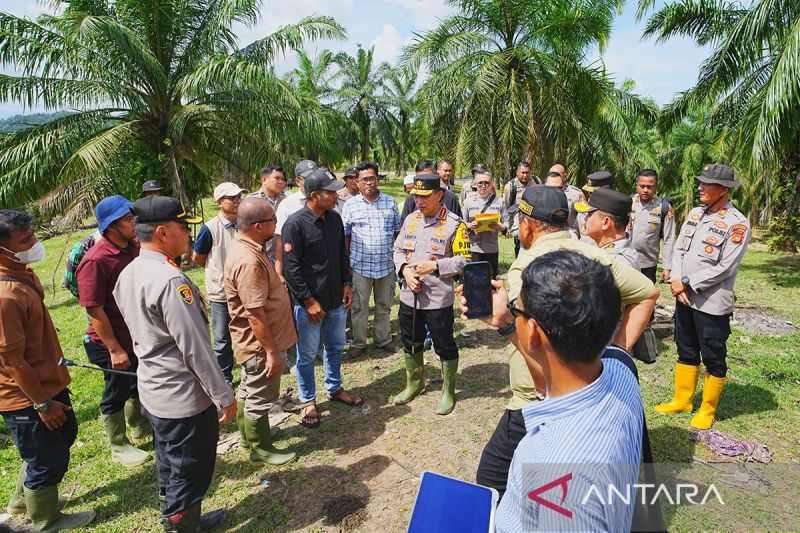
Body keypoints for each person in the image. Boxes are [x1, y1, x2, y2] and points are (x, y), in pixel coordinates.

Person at [473, 185, 657, 499]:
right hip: (591, 385)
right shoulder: (594, 256)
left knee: (492, 479)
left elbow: (540, 362)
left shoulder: (525, 271)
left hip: (538, 401)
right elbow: (648, 293)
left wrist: (505, 324)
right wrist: (617, 352)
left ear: (527, 225)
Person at [464, 251, 643, 531]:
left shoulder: (555, 470)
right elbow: (549, 383)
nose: (513, 312)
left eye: (517, 308)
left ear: (533, 332)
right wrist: (509, 324)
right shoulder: (621, 369)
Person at [114, 196, 236, 532]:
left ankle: (181, 520)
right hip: (183, 397)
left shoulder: (131, 271)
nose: (188, 235)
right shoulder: (170, 280)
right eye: (184, 228)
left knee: (170, 463)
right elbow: (195, 349)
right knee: (189, 470)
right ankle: (182, 525)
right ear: (163, 232)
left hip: (154, 389)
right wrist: (223, 395)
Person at [0, 210, 97, 531]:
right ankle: (45, 519)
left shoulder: (19, 274)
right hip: (26, 395)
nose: (35, 244)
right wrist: (41, 403)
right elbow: (13, 361)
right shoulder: (5, 295)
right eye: (25, 240)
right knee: (46, 458)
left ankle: (23, 500)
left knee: (60, 438)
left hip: (46, 381)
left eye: (33, 235)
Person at [656, 164, 750, 430]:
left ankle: (707, 409)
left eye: (707, 184)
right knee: (685, 348)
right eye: (701, 182)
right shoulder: (696, 214)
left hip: (711, 303)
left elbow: (726, 267)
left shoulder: (737, 223)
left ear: (724, 190)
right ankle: (682, 400)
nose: (700, 187)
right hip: (684, 297)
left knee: (713, 354)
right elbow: (679, 250)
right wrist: (676, 280)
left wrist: (687, 283)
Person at [281, 168, 363, 429]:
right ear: (315, 195)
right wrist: (308, 301)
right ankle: (308, 400)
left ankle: (335, 387)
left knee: (335, 347)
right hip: (310, 306)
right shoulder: (295, 224)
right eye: (331, 192)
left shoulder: (335, 219)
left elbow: (341, 255)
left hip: (336, 299)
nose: (336, 196)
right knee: (306, 355)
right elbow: (291, 269)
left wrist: (347, 284)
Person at [77, 196, 152, 468]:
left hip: (135, 334)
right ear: (111, 226)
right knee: (116, 390)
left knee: (137, 382)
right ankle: (118, 445)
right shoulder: (96, 260)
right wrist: (115, 349)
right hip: (109, 342)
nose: (134, 223)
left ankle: (140, 425)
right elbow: (94, 310)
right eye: (128, 220)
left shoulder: (135, 246)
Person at [224, 198, 297, 465]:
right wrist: (271, 352)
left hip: (257, 343)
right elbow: (254, 313)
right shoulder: (248, 260)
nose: (276, 225)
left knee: (248, 388)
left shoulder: (249, 247)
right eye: (273, 221)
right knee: (259, 395)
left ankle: (249, 437)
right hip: (260, 345)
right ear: (257, 226)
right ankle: (260, 448)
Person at [393, 175, 469, 415]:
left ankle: (448, 391)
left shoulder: (455, 224)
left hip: (438, 299)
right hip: (409, 296)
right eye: (416, 196)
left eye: (425, 196)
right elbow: (398, 249)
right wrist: (405, 271)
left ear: (439, 195)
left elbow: (464, 261)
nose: (419, 201)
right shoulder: (411, 220)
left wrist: (435, 266)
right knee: (410, 340)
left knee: (444, 344)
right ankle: (414, 383)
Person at [342, 161, 401, 357]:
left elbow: (397, 233)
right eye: (364, 179)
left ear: (377, 179)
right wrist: (347, 263)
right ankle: (359, 342)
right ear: (357, 182)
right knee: (359, 306)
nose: (369, 183)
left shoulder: (390, 202)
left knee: (384, 304)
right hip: (360, 266)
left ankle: (383, 338)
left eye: (372, 178)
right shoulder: (350, 205)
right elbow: (346, 236)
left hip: (386, 265)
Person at [192, 182, 247, 386]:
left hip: (245, 291)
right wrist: (216, 272)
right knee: (222, 339)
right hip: (221, 293)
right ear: (219, 202)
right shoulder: (210, 228)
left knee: (247, 333)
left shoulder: (246, 223)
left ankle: (249, 373)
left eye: (239, 197)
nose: (237, 201)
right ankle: (224, 379)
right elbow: (198, 257)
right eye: (232, 198)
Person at [630, 169, 676, 284]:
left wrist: (667, 267)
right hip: (626, 260)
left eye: (650, 187)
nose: (645, 190)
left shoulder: (664, 208)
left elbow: (669, 238)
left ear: (656, 187)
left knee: (646, 294)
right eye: (642, 186)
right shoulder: (627, 203)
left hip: (648, 264)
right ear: (637, 185)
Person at [575, 188, 640, 269]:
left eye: (589, 214)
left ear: (606, 222)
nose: (585, 219)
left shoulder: (616, 262)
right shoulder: (614, 252)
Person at [275, 160, 317, 282]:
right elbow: (280, 239)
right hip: (297, 266)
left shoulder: (325, 199)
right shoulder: (287, 204)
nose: (314, 181)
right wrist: (279, 273)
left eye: (316, 176)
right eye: (309, 178)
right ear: (298, 181)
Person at [462, 168, 506, 278]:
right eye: (480, 183)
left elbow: (507, 224)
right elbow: (461, 225)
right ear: (475, 184)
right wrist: (469, 226)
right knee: (473, 279)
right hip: (473, 248)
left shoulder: (499, 202)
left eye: (486, 183)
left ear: (491, 184)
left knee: (490, 280)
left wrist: (501, 227)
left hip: (491, 249)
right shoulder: (467, 202)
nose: (483, 186)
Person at [247, 165, 287, 260]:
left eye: (283, 179)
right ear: (264, 179)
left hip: (283, 258)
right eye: (277, 178)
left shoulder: (287, 201)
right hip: (259, 257)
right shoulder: (251, 201)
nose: (281, 182)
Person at [502, 161, 539, 257]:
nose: (525, 175)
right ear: (517, 172)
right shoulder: (511, 186)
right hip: (518, 226)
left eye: (527, 172)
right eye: (523, 173)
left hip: (536, 225)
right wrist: (507, 226)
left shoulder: (536, 181)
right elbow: (505, 207)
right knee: (520, 252)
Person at [548, 163, 585, 238]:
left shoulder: (576, 194)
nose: (554, 177)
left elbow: (582, 218)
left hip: (569, 235)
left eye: (557, 175)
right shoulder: (544, 191)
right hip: (549, 233)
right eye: (552, 174)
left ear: (565, 176)